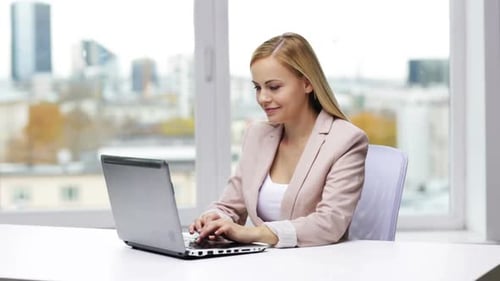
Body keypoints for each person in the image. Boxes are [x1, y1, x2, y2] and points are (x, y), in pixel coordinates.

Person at [189, 32, 369, 248]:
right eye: (258, 87)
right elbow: (230, 205)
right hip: (264, 265)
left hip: (317, 266)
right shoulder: (258, 135)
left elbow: (329, 223)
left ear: (307, 84)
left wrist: (251, 233)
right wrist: (214, 218)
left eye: (273, 87)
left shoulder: (346, 140)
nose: (263, 98)